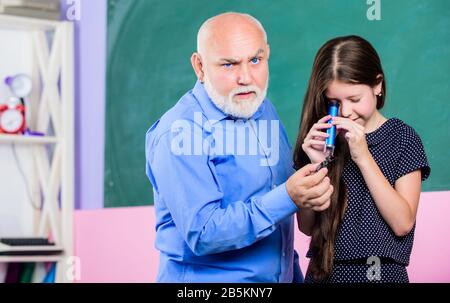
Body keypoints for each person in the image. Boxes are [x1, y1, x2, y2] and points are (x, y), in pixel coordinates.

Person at [145, 12, 333, 282]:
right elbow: (203, 232)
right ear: (199, 66)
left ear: (267, 54)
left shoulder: (260, 107)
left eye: (255, 60)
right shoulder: (178, 133)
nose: (246, 77)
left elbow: (278, 227)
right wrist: (288, 197)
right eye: (229, 65)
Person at [294, 35, 430, 283]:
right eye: (334, 103)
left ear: (377, 85)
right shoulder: (322, 140)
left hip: (383, 274)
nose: (345, 112)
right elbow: (306, 226)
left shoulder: (402, 138)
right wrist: (314, 166)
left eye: (354, 99)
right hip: (324, 273)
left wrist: (363, 156)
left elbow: (402, 223)